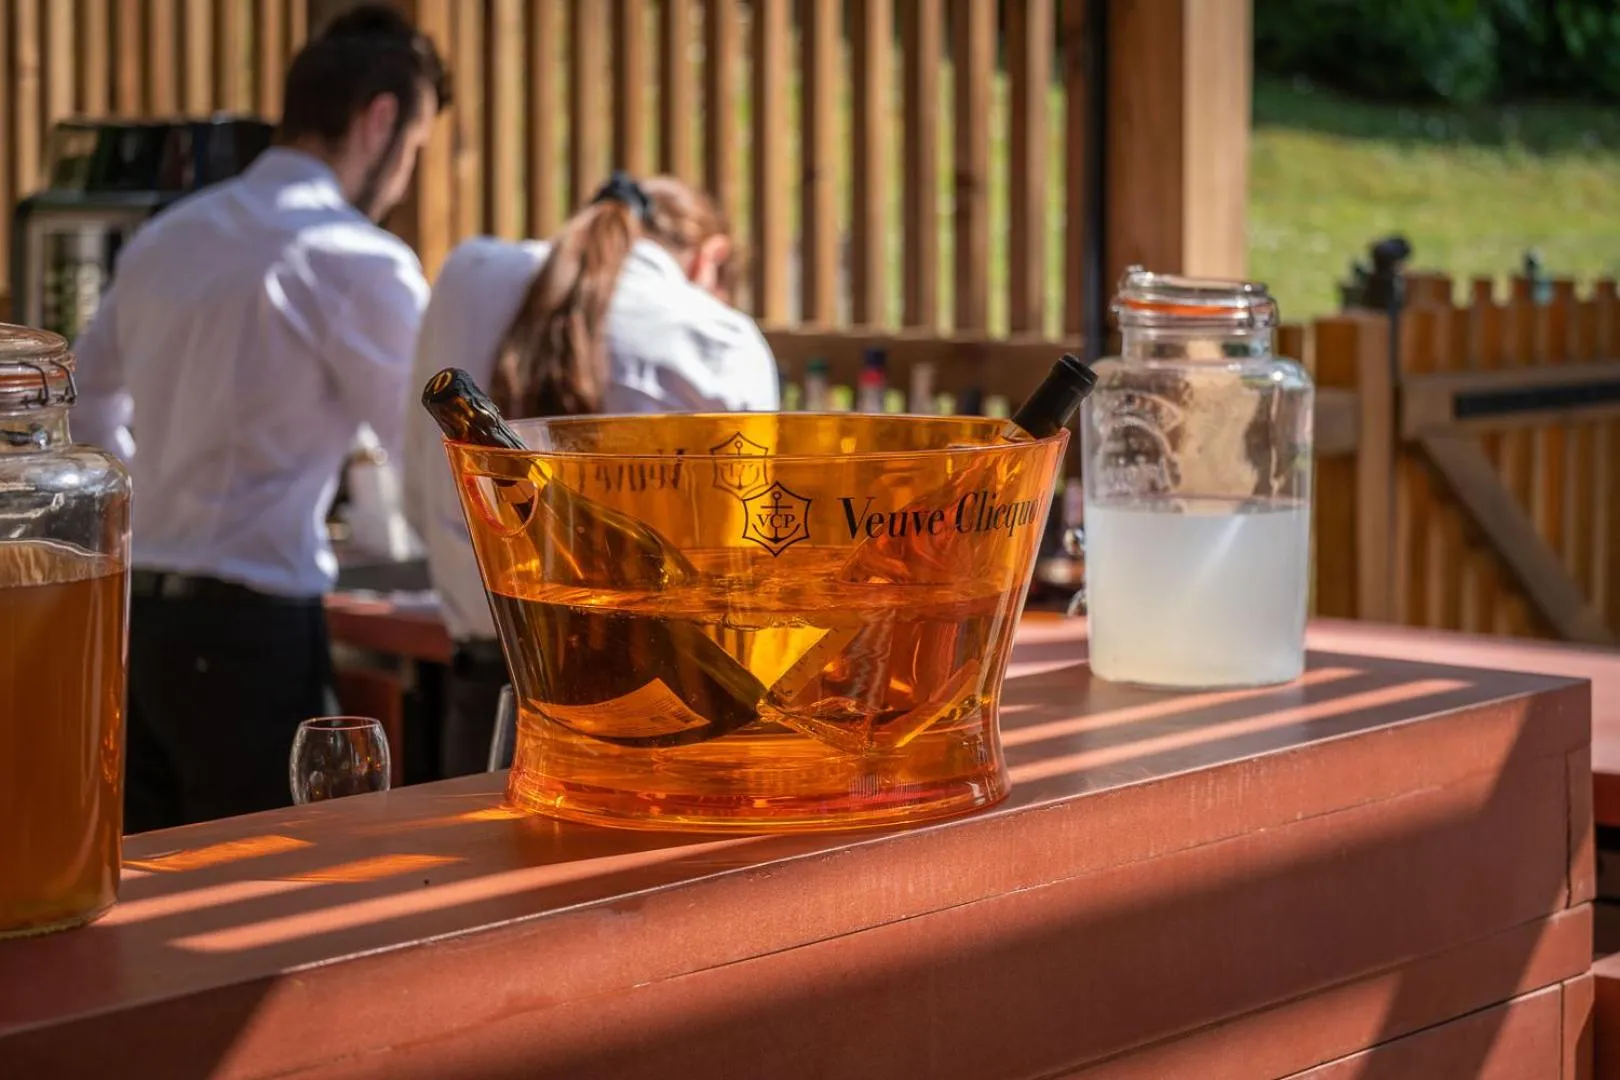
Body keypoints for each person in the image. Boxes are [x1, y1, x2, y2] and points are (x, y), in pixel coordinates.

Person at [72, 5, 452, 832]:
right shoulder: (352, 258)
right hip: (250, 637)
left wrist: (167, 495)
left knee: (148, 903)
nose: (405, 174)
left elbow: (85, 400)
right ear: (379, 119)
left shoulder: (168, 238)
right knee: (267, 907)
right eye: (415, 149)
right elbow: (428, 456)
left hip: (142, 626)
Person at [405, 172, 780, 776]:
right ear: (711, 258)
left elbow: (417, 499)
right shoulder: (721, 339)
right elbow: (750, 567)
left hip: (491, 690)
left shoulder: (468, 276)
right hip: (663, 712)